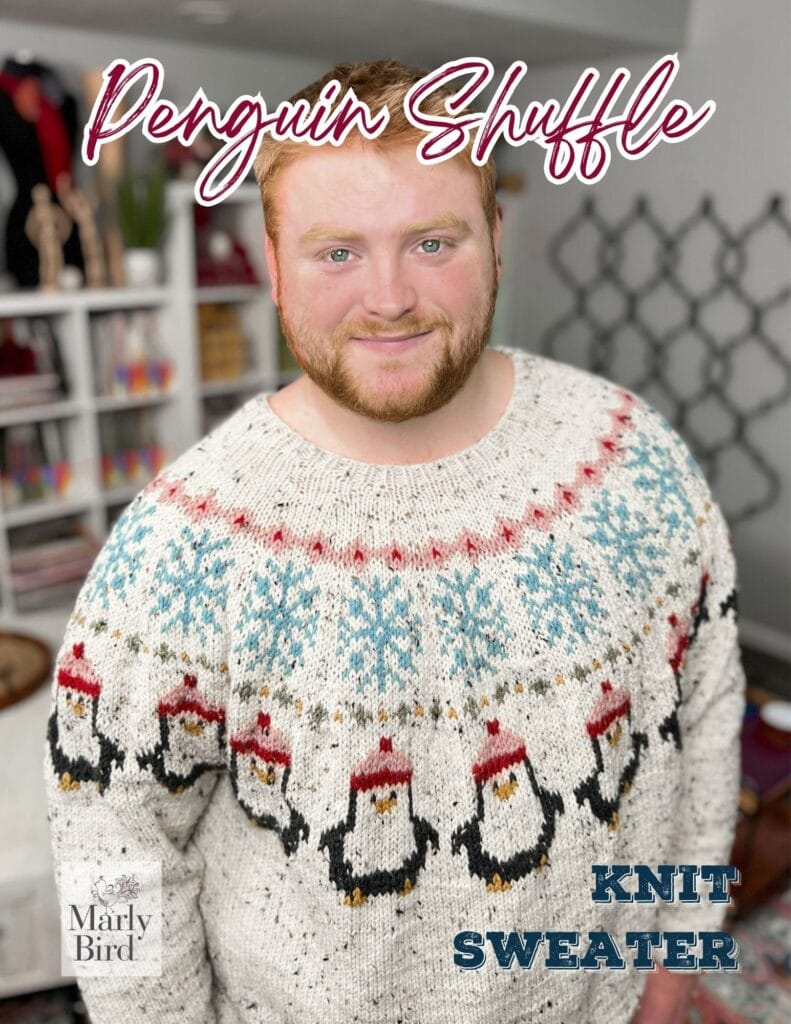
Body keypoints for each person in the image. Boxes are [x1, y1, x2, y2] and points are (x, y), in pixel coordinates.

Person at [44, 59, 745, 1024]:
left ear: (495, 239)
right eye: (337, 252)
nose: (387, 297)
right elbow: (105, 855)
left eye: (431, 242)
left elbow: (706, 718)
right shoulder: (177, 546)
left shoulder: (633, 458)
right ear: (275, 265)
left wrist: (672, 966)